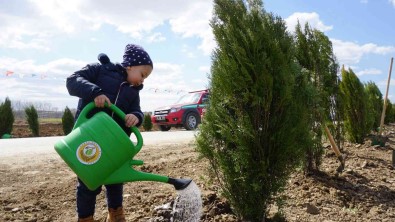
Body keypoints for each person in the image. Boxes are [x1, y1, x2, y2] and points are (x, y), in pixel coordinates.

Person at [66, 44, 153, 222]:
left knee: (115, 180)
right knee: (88, 182)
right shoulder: (99, 71)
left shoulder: (133, 91)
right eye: (143, 75)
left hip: (114, 144)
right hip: (89, 139)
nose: (143, 80)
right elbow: (72, 80)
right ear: (130, 65)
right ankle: (85, 218)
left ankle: (116, 213)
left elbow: (137, 110)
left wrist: (136, 117)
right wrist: (95, 92)